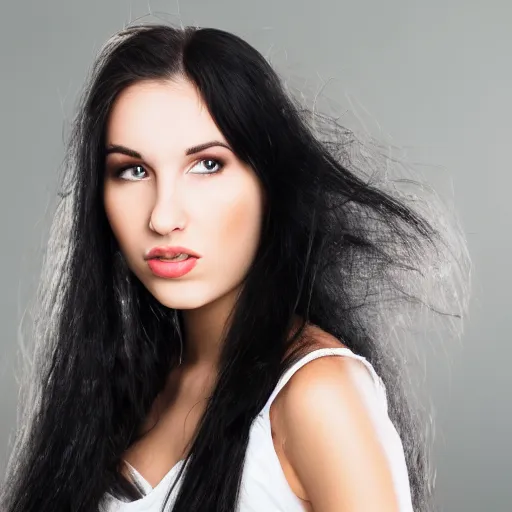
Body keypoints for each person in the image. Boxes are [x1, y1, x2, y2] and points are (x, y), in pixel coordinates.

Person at [1, 23, 470, 512]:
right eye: (133, 170)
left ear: (270, 183)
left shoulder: (317, 394)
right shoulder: (130, 391)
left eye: (206, 165)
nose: (163, 216)